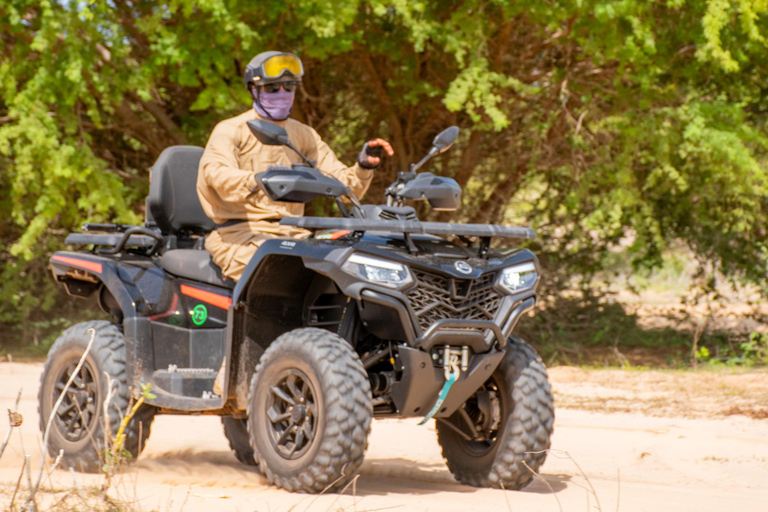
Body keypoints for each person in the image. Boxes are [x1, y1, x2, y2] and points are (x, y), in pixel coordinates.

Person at [196, 51, 393, 282]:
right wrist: (257, 179)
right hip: (239, 236)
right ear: (254, 89)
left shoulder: (303, 134)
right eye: (272, 88)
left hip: (294, 234)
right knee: (277, 278)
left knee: (350, 273)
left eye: (289, 87)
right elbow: (216, 176)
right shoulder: (231, 130)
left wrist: (363, 166)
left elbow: (345, 188)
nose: (282, 94)